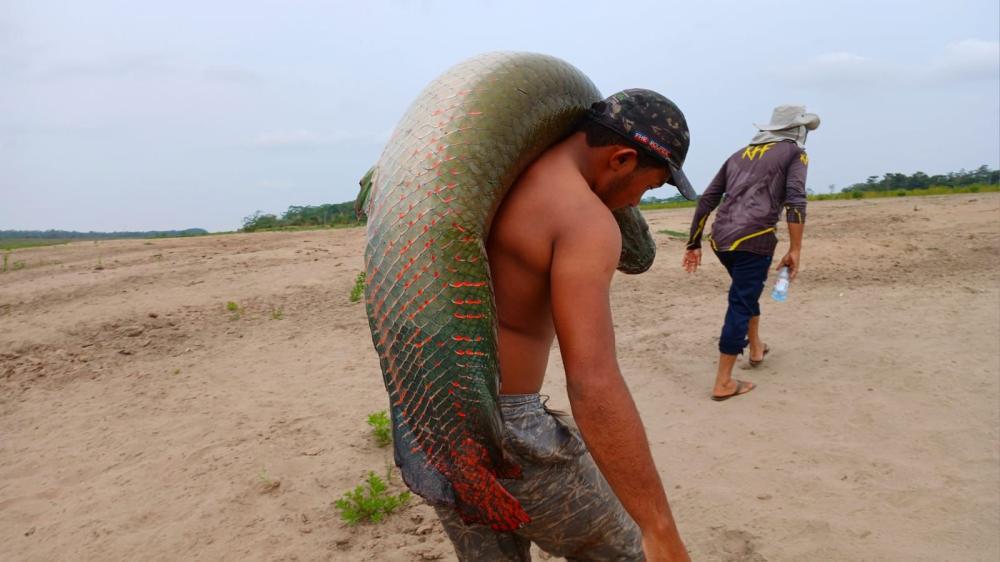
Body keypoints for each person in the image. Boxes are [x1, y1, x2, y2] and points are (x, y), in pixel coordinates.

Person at [432, 90, 695, 561]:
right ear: (622, 158)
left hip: (430, 417)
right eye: (648, 188)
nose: (636, 201)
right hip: (505, 426)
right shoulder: (583, 219)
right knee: (633, 554)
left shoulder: (493, 182)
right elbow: (593, 380)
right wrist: (659, 526)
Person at [682, 105, 819, 401]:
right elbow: (796, 199)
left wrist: (694, 242)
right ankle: (723, 382)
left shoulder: (737, 155)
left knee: (746, 291)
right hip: (755, 239)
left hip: (721, 240)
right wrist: (795, 249)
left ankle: (756, 348)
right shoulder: (795, 152)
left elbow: (707, 199)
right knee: (741, 302)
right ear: (797, 130)